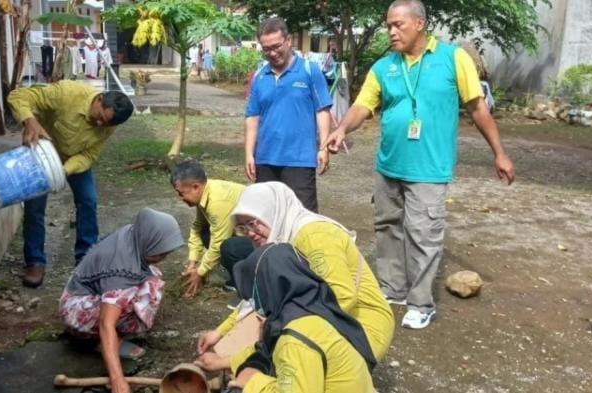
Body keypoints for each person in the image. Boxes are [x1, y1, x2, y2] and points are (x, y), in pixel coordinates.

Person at [324, 0, 516, 329]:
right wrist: (341, 128)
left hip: (429, 168)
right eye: (388, 25)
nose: (391, 31)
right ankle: (393, 288)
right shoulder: (384, 67)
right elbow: (362, 106)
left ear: (419, 24)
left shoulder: (452, 59)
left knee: (423, 234)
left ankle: (421, 302)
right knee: (387, 229)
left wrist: (499, 152)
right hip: (389, 166)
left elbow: (477, 108)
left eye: (398, 24)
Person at [200, 182, 395, 363]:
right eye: (242, 227)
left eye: (253, 222)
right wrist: (219, 332)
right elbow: (257, 297)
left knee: (285, 357)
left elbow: (343, 297)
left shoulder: (315, 236)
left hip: (361, 324)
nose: (250, 233)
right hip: (319, 313)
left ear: (272, 212)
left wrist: (285, 329)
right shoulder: (276, 238)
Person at [196, 244, 375, 392]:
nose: (253, 300)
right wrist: (222, 362)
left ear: (268, 287)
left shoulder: (293, 338)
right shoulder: (311, 308)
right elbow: (269, 349)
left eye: (254, 291)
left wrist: (254, 383)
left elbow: (288, 353)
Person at [8, 80, 134, 287]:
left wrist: (62, 172)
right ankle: (35, 261)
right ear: (99, 99)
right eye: (100, 118)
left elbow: (89, 155)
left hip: (74, 159)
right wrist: (29, 121)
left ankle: (86, 259)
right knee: (35, 206)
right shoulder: (68, 93)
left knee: (88, 201)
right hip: (43, 153)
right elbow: (17, 96)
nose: (100, 125)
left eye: (106, 124)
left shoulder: (109, 124)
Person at [59, 208, 184, 393]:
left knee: (152, 281)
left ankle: (111, 338)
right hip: (76, 309)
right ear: (148, 241)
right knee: (133, 296)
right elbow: (105, 323)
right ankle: (101, 342)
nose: (163, 257)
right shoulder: (120, 268)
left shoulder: (135, 236)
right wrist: (117, 379)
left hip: (91, 294)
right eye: (160, 253)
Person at [245, 17, 332, 212]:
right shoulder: (259, 77)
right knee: (266, 218)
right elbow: (252, 117)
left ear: (288, 40)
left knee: (303, 218)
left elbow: (322, 110)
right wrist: (249, 154)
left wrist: (324, 148)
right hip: (265, 160)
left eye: (276, 46)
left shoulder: (310, 71)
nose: (273, 53)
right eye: (266, 49)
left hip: (299, 160)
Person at [170, 161, 245, 298]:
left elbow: (219, 241)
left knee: (229, 246)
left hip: (270, 239)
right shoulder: (205, 193)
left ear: (195, 187)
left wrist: (200, 272)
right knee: (205, 232)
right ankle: (235, 269)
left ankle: (244, 281)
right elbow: (197, 227)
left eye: (181, 193)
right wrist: (193, 262)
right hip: (244, 232)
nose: (180, 198)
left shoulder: (218, 202)